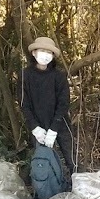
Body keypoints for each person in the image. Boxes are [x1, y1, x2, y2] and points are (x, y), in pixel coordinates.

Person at [21, 36, 77, 175]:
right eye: (42, 51)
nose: (45, 56)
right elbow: (24, 103)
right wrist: (34, 127)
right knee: (44, 163)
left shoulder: (58, 76)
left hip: (60, 123)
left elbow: (64, 103)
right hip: (38, 125)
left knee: (72, 160)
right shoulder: (25, 75)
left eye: (49, 52)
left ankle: (80, 186)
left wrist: (54, 128)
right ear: (34, 53)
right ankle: (49, 192)